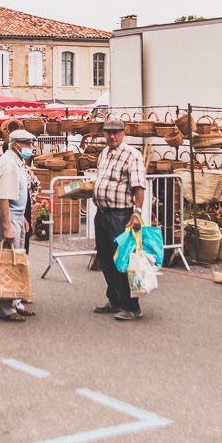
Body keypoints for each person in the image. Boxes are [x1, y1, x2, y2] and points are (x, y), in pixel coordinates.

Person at [90, 118, 147, 321]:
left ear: (123, 133)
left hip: (120, 214)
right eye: (108, 132)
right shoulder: (104, 153)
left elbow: (139, 187)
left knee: (122, 260)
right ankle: (114, 299)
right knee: (105, 258)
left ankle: (131, 305)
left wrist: (137, 213)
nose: (111, 136)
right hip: (102, 213)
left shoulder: (132, 155)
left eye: (115, 132)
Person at [0, 129, 36, 322]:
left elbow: (16, 194)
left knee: (16, 260)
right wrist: (8, 225)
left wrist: (22, 217)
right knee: (7, 261)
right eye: (28, 144)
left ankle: (15, 301)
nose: (31, 148)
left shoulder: (16, 161)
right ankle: (6, 309)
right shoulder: (9, 164)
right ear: (17, 145)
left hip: (16, 216)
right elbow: (4, 198)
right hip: (8, 217)